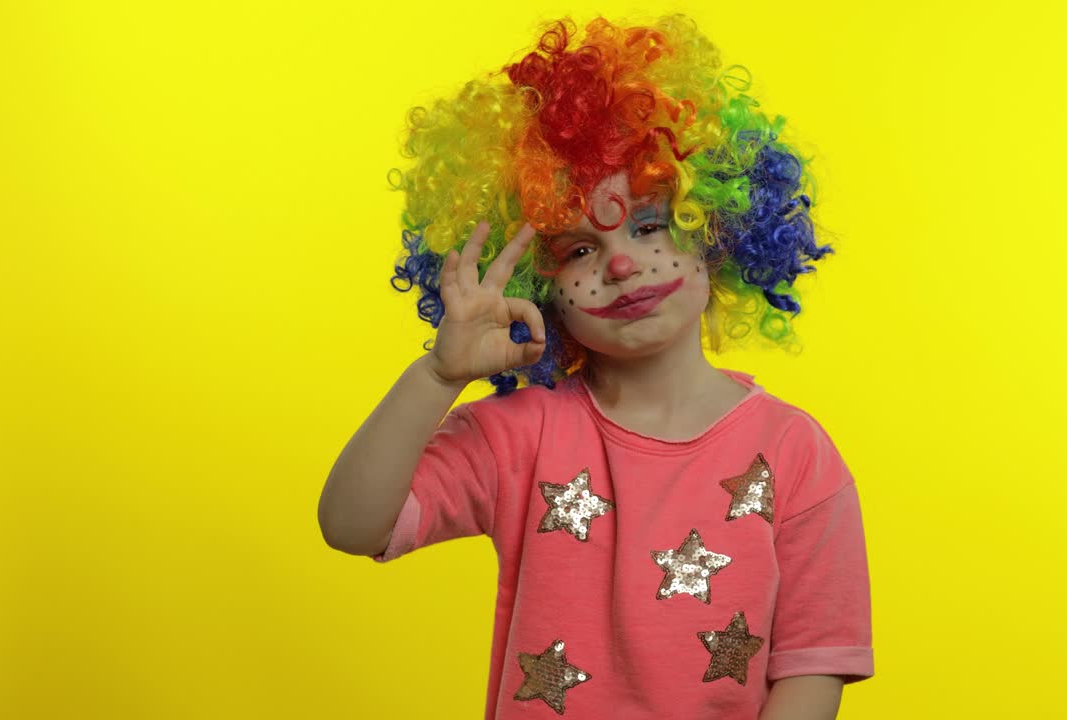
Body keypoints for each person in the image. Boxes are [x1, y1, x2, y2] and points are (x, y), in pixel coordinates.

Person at [318, 13, 874, 719]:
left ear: (720, 232)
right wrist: (437, 377)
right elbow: (352, 525)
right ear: (536, 286)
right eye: (579, 249)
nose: (619, 261)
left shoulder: (797, 454)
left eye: (650, 225)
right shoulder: (521, 436)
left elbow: (813, 664)